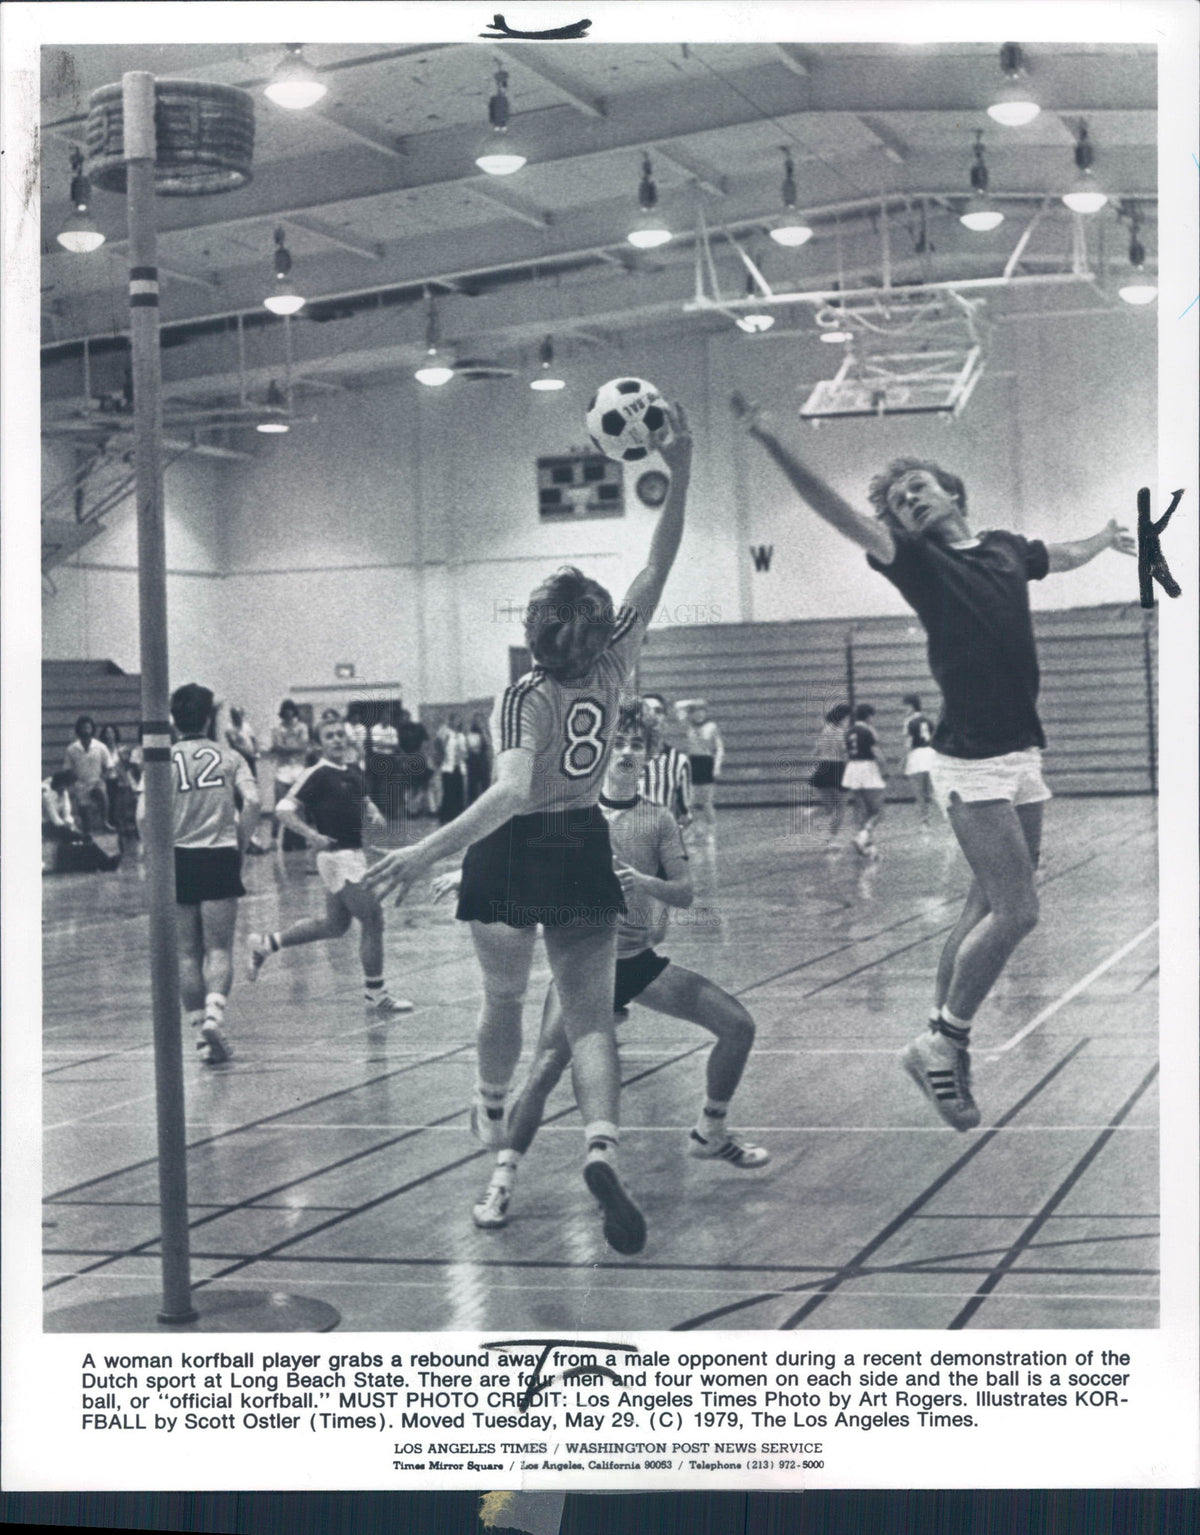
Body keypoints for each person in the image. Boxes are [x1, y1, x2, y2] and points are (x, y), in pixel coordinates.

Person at [732, 392, 1135, 1131]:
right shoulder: (914, 562)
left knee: (986, 905)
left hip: (1021, 750)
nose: (905, 501)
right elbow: (835, 510)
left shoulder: (1008, 547)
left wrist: (1106, 536)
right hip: (970, 758)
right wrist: (772, 441)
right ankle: (940, 1041)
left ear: (952, 490)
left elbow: (1063, 554)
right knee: (1019, 910)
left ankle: (943, 1035)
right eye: (894, 501)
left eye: (915, 487)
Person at [363, 405, 692, 1255]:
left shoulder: (522, 695)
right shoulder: (617, 663)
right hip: (584, 839)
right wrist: (681, 460)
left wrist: (426, 848)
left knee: (504, 997)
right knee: (588, 1020)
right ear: (594, 626)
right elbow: (659, 559)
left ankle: (488, 1093)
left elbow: (508, 794)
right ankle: (601, 1145)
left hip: (515, 849)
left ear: (534, 633)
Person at [463, 699, 769, 1231]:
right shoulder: (573, 815)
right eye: (619, 743)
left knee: (738, 1025)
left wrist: (644, 882)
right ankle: (502, 1182)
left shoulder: (658, 819)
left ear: (650, 756)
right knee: (542, 1073)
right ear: (600, 750)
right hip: (585, 970)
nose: (627, 752)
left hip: (636, 962)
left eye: (637, 745)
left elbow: (686, 894)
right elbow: (515, 853)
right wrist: (471, 877)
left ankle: (710, 1132)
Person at [247, 717, 414, 1017]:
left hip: (354, 854)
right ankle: (376, 993)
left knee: (335, 925)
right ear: (319, 743)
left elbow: (361, 798)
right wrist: (311, 836)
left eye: (340, 734)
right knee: (373, 918)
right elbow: (284, 810)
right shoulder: (317, 774)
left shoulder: (352, 770)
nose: (337, 739)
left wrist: (373, 810)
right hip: (336, 858)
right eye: (330, 736)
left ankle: (268, 943)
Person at [170, 682, 261, 1064]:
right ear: (209, 717)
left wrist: (156, 857)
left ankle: (201, 1037)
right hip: (219, 852)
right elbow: (254, 801)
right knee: (219, 948)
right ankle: (214, 1016)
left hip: (177, 857)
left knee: (188, 953)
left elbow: (143, 815)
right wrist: (239, 845)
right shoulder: (230, 756)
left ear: (174, 719)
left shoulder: (161, 758)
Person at [42, 769, 121, 873]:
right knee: (81, 837)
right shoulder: (46, 796)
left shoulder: (64, 792)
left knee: (84, 838)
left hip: (59, 826)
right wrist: (74, 832)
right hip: (45, 826)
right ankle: (105, 862)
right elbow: (55, 820)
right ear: (62, 784)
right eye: (70, 785)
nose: (72, 788)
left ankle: (101, 862)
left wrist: (71, 826)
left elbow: (67, 815)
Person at [639, 693, 692, 826]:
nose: (651, 716)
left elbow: (684, 816)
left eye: (657, 711)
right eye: (645, 710)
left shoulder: (679, 761)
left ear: (665, 718)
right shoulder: (615, 758)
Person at [843, 703, 887, 857]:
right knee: (878, 811)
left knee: (859, 807)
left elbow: (845, 752)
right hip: (867, 768)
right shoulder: (868, 731)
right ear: (868, 716)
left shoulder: (849, 731)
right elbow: (876, 752)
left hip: (852, 769)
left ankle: (865, 843)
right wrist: (885, 769)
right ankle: (863, 836)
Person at [267, 700, 312, 851]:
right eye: (284, 711)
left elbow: (302, 746)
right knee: (280, 807)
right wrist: (289, 748)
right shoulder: (277, 728)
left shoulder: (301, 727)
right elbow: (276, 747)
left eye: (290, 710)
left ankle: (301, 839)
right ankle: (276, 839)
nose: (287, 713)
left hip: (299, 770)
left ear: (293, 711)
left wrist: (285, 748)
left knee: (299, 808)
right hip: (282, 771)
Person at [808, 701, 852, 847]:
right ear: (843, 717)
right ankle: (832, 839)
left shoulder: (824, 730)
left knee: (828, 807)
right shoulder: (842, 733)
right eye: (848, 718)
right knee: (841, 807)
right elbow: (844, 753)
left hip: (822, 768)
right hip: (837, 768)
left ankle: (811, 813)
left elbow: (815, 752)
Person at [63, 715, 115, 835]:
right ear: (79, 730)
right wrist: (74, 782)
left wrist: (102, 779)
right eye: (83, 728)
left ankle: (105, 821)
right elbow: (67, 769)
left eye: (88, 728)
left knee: (102, 794)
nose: (86, 730)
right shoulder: (72, 749)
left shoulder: (100, 747)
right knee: (85, 813)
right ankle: (87, 833)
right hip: (81, 784)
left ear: (92, 729)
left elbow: (109, 766)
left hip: (97, 781)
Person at [682, 701, 723, 843]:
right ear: (691, 714)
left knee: (707, 802)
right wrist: (692, 702)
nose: (699, 715)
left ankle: (711, 833)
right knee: (691, 802)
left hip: (706, 763)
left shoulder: (711, 727)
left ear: (705, 713)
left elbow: (719, 748)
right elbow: (677, 707)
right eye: (695, 712)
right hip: (692, 763)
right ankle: (696, 831)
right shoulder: (688, 725)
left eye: (702, 711)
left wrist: (716, 766)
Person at [902, 693, 937, 827]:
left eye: (905, 707)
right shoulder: (928, 720)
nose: (904, 710)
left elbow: (908, 743)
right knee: (932, 789)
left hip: (917, 755)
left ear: (911, 706)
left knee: (919, 790)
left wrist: (904, 760)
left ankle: (924, 819)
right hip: (931, 754)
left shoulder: (909, 721)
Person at [397, 708, 434, 819]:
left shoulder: (418, 727)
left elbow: (426, 741)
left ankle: (426, 809)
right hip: (406, 759)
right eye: (402, 717)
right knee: (409, 786)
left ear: (409, 716)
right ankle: (411, 811)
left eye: (406, 716)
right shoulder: (399, 730)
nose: (404, 719)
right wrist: (405, 756)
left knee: (423, 785)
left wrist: (421, 754)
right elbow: (397, 746)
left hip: (419, 757)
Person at [436, 714, 468, 825]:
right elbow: (440, 746)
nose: (456, 722)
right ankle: (445, 816)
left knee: (458, 791)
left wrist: (462, 756)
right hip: (448, 767)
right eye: (454, 720)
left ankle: (457, 816)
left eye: (458, 720)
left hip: (459, 766)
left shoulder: (461, 736)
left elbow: (464, 751)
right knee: (448, 791)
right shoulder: (446, 733)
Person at [465, 714, 493, 805]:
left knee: (485, 783)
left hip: (483, 760)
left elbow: (488, 744)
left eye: (479, 721)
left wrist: (483, 730)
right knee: (472, 785)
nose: (478, 723)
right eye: (476, 721)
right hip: (472, 761)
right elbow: (468, 747)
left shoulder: (485, 733)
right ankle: (472, 805)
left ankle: (487, 804)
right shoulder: (469, 734)